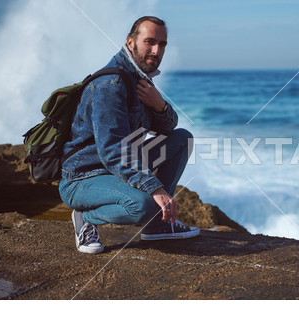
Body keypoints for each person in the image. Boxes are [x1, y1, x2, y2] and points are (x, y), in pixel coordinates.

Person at [59, 16, 199, 254]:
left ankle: (157, 225)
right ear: (130, 42)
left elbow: (168, 129)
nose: (157, 50)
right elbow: (113, 151)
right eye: (150, 42)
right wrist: (155, 189)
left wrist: (160, 106)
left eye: (162, 44)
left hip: (116, 168)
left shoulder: (139, 80)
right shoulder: (110, 86)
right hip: (83, 178)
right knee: (144, 204)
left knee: (182, 139)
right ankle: (86, 217)